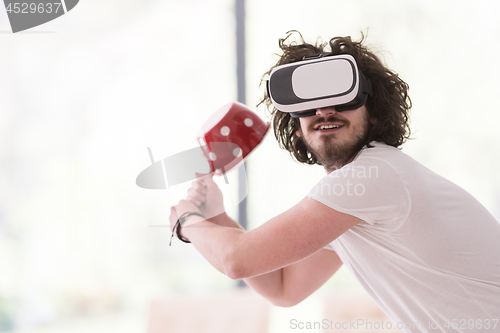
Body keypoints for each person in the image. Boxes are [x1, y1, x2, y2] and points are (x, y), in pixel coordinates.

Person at [169, 32, 500, 332]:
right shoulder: (354, 203)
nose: (325, 110)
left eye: (344, 97)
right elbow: (284, 288)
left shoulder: (372, 175)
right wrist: (217, 216)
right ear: (296, 126)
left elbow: (236, 260)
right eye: (309, 104)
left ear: (374, 113)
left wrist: (186, 222)